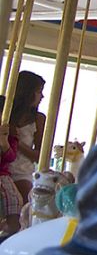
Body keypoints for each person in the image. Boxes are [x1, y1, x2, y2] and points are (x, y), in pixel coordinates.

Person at [8, 71, 45, 202]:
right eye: (39, 92)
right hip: (4, 168)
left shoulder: (38, 119)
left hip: (21, 173)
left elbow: (40, 156)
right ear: (27, 92)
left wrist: (17, 142)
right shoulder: (6, 113)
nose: (42, 96)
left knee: (24, 197)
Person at [0, 96, 22, 238]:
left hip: (2, 174)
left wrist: (4, 142)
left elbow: (11, 157)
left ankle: (10, 226)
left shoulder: (10, 135)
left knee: (13, 197)